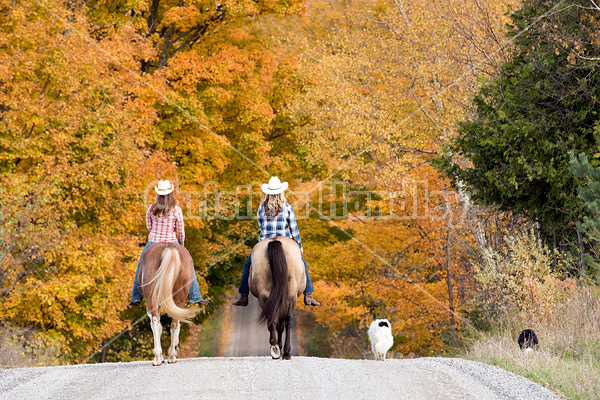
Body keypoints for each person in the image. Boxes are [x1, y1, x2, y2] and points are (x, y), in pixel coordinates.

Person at [233, 176, 321, 307]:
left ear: (268, 192)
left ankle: (243, 296)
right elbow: (294, 228)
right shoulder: (287, 207)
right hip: (285, 238)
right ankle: (308, 295)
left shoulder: (261, 208)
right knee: (303, 264)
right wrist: (299, 246)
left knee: (248, 264)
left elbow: (261, 226)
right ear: (281, 192)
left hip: (265, 240)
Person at [129, 180, 209, 307]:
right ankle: (195, 297)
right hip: (172, 240)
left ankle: (136, 297)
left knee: (141, 265)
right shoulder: (176, 209)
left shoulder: (151, 208)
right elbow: (181, 231)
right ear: (171, 193)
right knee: (189, 264)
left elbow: (149, 227)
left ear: (158, 194)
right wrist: (181, 246)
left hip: (153, 241)